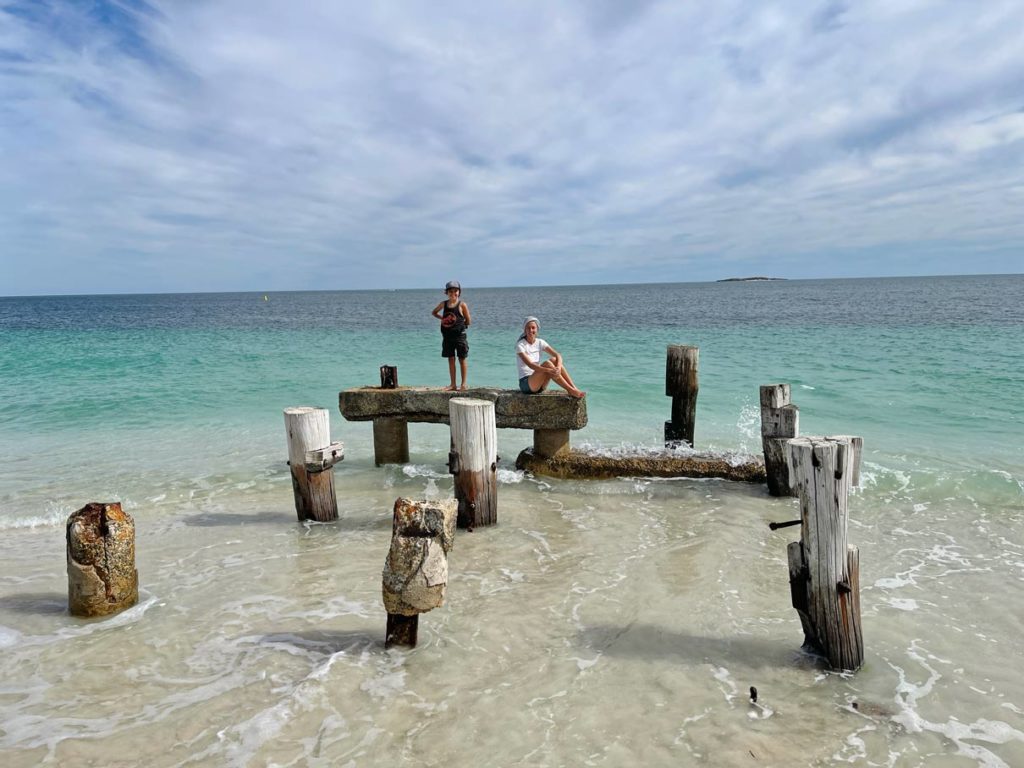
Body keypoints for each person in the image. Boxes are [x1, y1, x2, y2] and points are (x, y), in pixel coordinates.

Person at [515, 316, 585, 398]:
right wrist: (549, 370)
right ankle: (570, 390)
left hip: (540, 385)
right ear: (524, 330)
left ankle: (574, 388)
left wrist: (558, 368)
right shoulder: (520, 345)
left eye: (533, 328)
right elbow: (531, 365)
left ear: (537, 329)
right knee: (547, 363)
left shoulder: (540, 342)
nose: (531, 330)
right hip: (526, 384)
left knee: (554, 360)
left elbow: (558, 355)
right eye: (528, 328)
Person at [431, 280, 471, 390]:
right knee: (451, 359)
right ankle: (453, 384)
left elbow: (468, 320)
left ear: (459, 292)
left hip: (460, 336)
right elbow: (434, 312)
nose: (453, 293)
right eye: (450, 291)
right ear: (446, 293)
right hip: (447, 337)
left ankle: (463, 384)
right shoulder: (443, 304)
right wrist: (442, 318)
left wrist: (462, 326)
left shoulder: (462, 305)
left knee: (462, 359)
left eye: (455, 291)